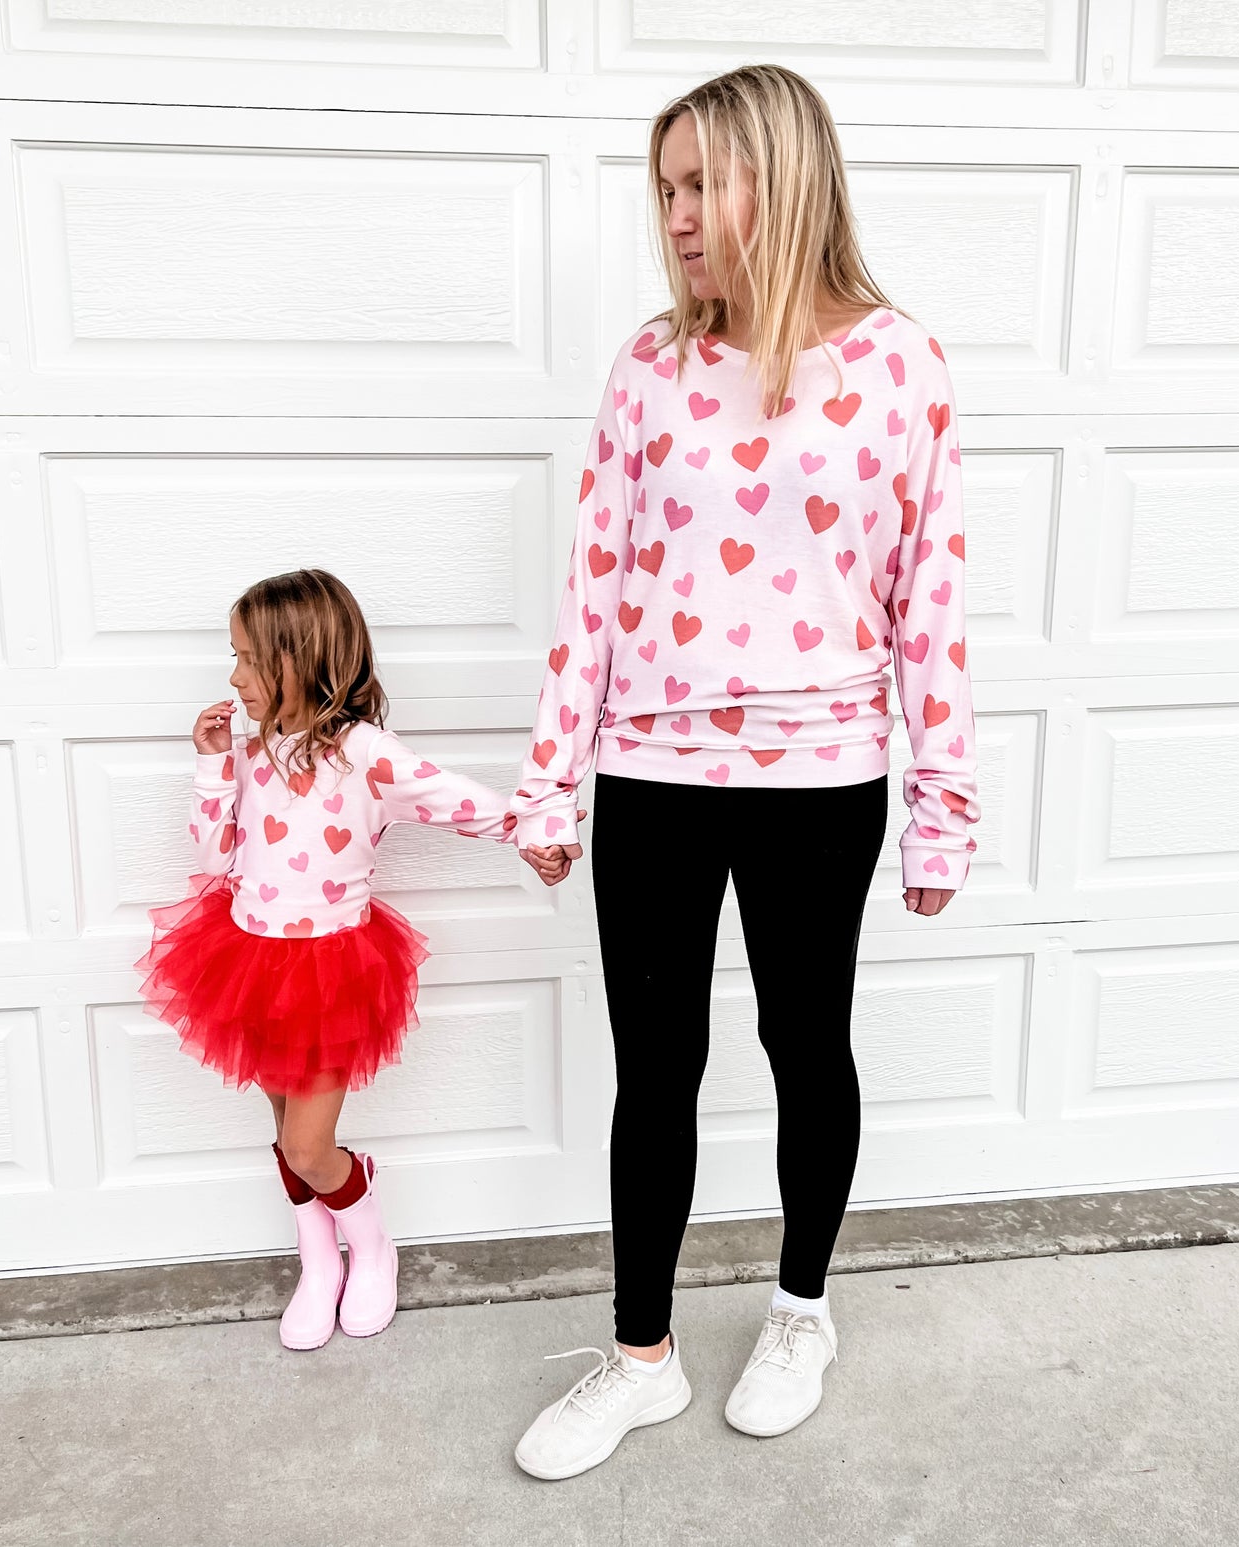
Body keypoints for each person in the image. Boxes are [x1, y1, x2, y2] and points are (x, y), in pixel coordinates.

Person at [509, 64, 981, 1479]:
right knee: (654, 1067)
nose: (680, 216)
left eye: (703, 182)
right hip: (651, 768)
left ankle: (799, 1309)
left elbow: (929, 601)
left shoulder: (901, 366)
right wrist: (550, 781)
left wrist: (941, 810)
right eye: (665, 190)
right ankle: (640, 1353)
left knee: (801, 1044)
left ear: (783, 177)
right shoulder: (651, 366)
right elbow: (593, 585)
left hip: (822, 776)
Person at [136, 568, 517, 1350]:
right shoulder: (251, 750)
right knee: (284, 1135)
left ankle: (371, 1241)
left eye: (246, 658)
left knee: (312, 1145)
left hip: (332, 969)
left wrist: (537, 826)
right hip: (247, 959)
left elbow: (452, 798)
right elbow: (213, 858)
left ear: (299, 658)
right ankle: (319, 1257)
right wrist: (211, 764)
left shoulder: (364, 751)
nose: (233, 676)